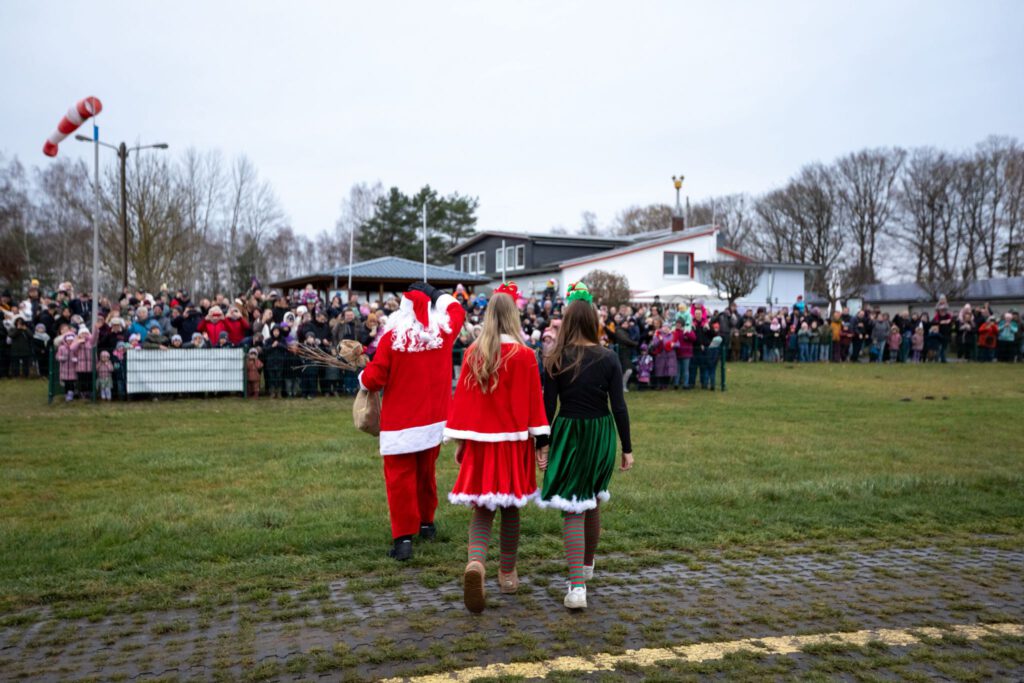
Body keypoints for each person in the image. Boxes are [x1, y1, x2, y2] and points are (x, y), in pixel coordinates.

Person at [444, 283, 549, 613]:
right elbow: (535, 403)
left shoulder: (473, 353)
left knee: (482, 508)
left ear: (489, 315)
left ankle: (476, 563)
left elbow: (463, 402)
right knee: (511, 509)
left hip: (479, 445)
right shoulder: (525, 356)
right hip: (513, 445)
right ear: (514, 315)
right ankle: (507, 572)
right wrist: (542, 443)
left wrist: (461, 442)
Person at [535, 282, 633, 610]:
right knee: (591, 500)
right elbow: (619, 407)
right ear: (593, 320)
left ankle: (577, 586)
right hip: (601, 435)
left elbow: (548, 407)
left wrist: (542, 444)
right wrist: (626, 448)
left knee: (574, 506)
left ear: (568, 321)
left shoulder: (555, 357)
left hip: (570, 434)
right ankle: (586, 565)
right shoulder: (609, 358)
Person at [358, 282, 466, 561]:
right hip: (434, 421)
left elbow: (374, 379)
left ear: (402, 311)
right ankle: (427, 523)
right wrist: (436, 294)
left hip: (401, 425)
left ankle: (403, 538)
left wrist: (361, 376)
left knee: (400, 481)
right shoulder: (442, 333)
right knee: (426, 474)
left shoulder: (391, 339)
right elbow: (457, 310)